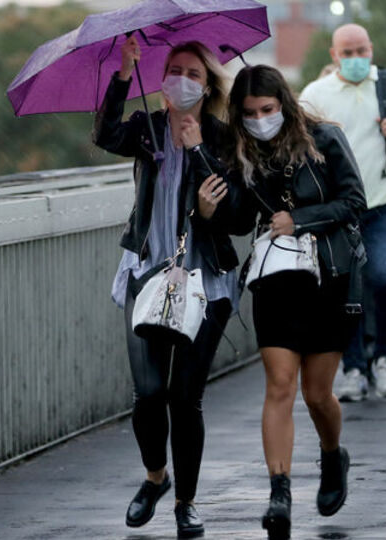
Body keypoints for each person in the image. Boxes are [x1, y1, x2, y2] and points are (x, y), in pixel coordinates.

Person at [92, 35, 240, 539]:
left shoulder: (222, 138)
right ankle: (156, 477)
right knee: (149, 392)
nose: (182, 80)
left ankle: (186, 502)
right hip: (147, 272)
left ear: (207, 86)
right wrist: (122, 74)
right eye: (174, 71)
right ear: (161, 79)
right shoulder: (147, 129)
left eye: (193, 74)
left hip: (205, 279)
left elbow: (236, 212)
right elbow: (105, 135)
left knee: (184, 397)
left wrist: (197, 151)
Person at [223, 64, 366, 540]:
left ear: (283, 103)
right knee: (280, 385)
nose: (259, 120)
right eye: (249, 114)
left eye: (267, 109)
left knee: (317, 395)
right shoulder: (240, 150)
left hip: (328, 277)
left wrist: (300, 219)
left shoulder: (324, 139)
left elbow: (354, 202)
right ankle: (279, 494)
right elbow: (239, 221)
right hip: (276, 281)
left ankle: (332, 455)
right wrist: (212, 198)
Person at [299, 23, 386, 402]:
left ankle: (385, 358)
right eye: (348, 53)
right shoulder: (316, 94)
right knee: (345, 289)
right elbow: (298, 141)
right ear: (334, 55)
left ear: (371, 49)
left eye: (362, 51)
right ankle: (354, 367)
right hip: (342, 208)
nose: (356, 58)